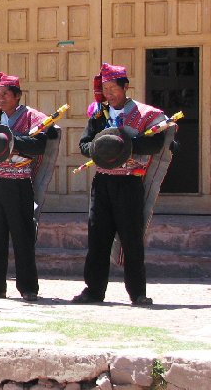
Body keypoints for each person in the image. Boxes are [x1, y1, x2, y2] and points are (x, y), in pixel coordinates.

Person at [72, 63, 168, 306]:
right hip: (103, 182)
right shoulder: (97, 114)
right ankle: (94, 290)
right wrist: (99, 148)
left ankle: (137, 292)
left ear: (125, 87)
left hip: (128, 183)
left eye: (114, 88)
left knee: (131, 238)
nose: (110, 93)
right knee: (98, 237)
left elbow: (155, 144)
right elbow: (84, 145)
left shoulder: (144, 114)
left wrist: (124, 143)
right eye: (105, 88)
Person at [0, 72, 55, 302]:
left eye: (6, 94)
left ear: (18, 95)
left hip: (19, 183)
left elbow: (39, 145)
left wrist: (10, 143)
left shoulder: (31, 118)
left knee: (22, 235)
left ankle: (28, 287)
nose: (1, 99)